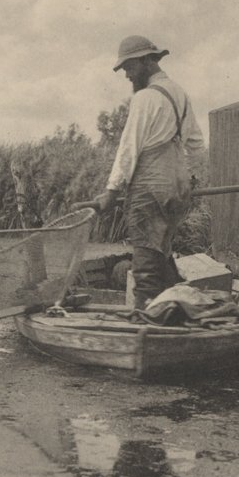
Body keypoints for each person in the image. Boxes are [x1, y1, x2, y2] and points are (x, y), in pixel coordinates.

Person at [76, 35, 206, 308]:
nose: (127, 75)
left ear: (148, 61)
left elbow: (128, 148)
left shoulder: (145, 98)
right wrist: (190, 180)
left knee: (146, 260)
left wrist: (111, 192)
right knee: (162, 252)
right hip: (177, 188)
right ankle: (178, 313)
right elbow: (195, 144)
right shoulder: (180, 93)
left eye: (129, 67)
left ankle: (146, 325)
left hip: (150, 188)